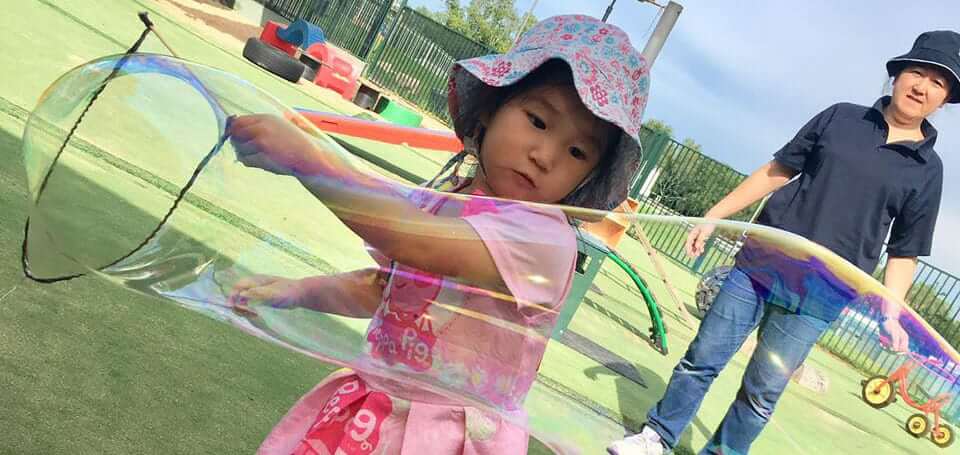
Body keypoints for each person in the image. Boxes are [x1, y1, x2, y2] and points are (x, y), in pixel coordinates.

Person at [227, 15, 650, 454]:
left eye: (578, 151)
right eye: (538, 122)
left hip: (449, 435)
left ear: (587, 177)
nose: (545, 156)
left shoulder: (543, 240)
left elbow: (416, 242)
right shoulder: (447, 200)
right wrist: (294, 291)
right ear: (491, 109)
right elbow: (386, 289)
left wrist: (310, 163)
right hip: (374, 412)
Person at [609, 30, 958, 455]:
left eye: (938, 83)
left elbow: (904, 249)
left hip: (822, 295)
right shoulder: (841, 118)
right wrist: (715, 215)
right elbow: (777, 170)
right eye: (917, 73)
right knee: (703, 358)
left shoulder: (928, 170)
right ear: (898, 74)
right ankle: (656, 437)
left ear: (945, 100)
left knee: (762, 391)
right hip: (761, 267)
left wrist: (891, 313)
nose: (922, 87)